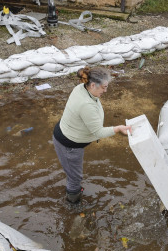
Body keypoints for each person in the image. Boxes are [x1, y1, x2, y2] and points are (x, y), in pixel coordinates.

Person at [52, 66, 131, 204]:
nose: (105, 91)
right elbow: (98, 132)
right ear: (93, 85)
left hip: (67, 133)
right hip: (69, 145)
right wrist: (117, 129)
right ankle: (72, 203)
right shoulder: (86, 105)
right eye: (104, 87)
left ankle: (73, 189)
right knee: (75, 178)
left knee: (72, 173)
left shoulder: (82, 88)